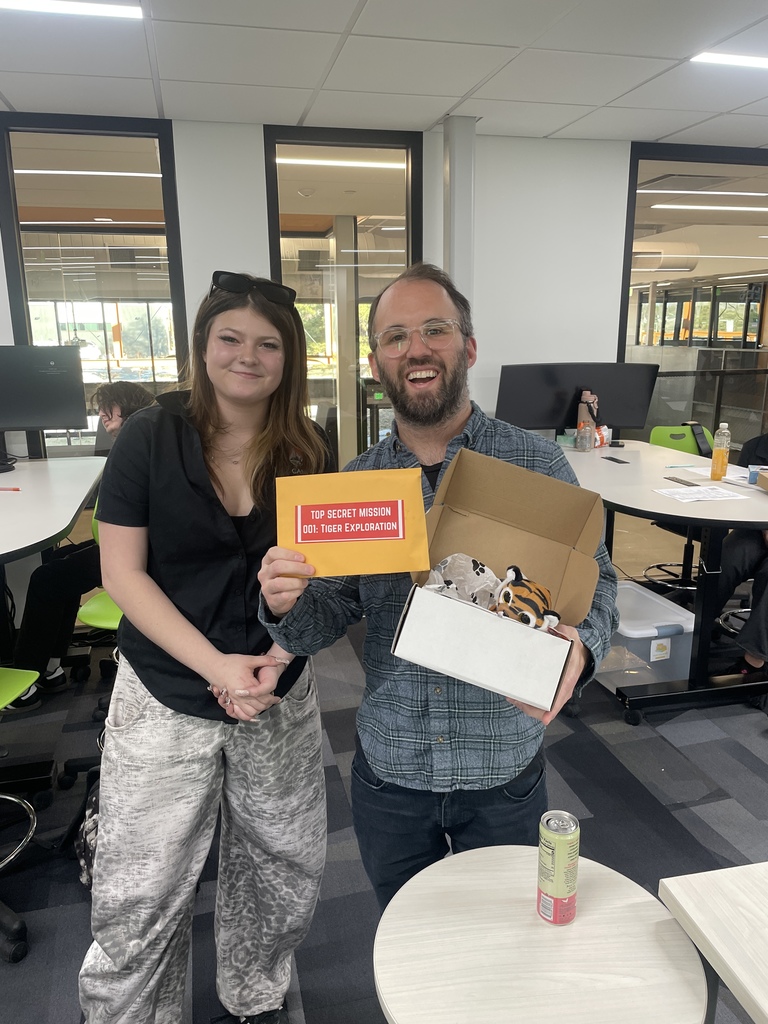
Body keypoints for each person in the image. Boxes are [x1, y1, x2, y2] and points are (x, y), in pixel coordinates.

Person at [257, 262, 618, 910]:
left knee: (509, 946)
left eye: (434, 329)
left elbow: (601, 579)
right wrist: (285, 603)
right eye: (396, 337)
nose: (416, 348)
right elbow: (323, 620)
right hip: (390, 773)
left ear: (469, 347)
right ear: (376, 363)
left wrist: (583, 646)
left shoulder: (535, 461)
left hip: (502, 770)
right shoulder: (357, 485)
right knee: (408, 949)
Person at [78, 272, 331, 1024]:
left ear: (289, 359)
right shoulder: (149, 438)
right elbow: (121, 573)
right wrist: (218, 666)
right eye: (230, 339)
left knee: (283, 867)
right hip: (166, 689)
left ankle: (253, 993)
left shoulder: (312, 449)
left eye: (267, 344)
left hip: (277, 689)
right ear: (202, 346)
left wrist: (277, 659)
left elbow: (330, 585)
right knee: (141, 886)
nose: (246, 357)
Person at [7, 381, 157, 713]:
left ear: (128, 408)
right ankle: (51, 667)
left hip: (146, 551)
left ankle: (27, 680)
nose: (102, 415)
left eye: (110, 408)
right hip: (139, 540)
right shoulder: (143, 437)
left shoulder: (140, 441)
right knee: (58, 564)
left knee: (47, 579)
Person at [714, 431, 768, 680]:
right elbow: (742, 495)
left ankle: (755, 660)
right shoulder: (755, 447)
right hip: (758, 527)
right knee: (729, 556)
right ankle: (699, 630)